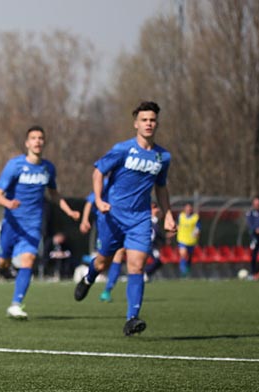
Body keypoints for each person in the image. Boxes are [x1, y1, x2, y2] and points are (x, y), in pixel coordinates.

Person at [74, 101, 176, 336]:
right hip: (112, 216)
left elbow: (161, 187)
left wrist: (168, 215)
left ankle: (132, 318)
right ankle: (89, 278)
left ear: (156, 123)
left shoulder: (163, 157)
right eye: (144, 120)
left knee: (136, 266)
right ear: (136, 123)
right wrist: (98, 200)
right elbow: (98, 171)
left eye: (152, 120)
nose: (149, 123)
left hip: (140, 219)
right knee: (103, 262)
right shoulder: (122, 149)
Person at [0, 125, 80, 319]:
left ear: (44, 142)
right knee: (3, 261)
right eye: (33, 138)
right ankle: (5, 266)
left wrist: (70, 211)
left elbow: (54, 194)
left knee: (29, 260)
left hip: (32, 225)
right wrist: (9, 202)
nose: (37, 141)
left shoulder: (48, 168)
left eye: (41, 138)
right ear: (27, 143)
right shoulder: (15, 166)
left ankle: (16, 304)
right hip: (12, 223)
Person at [80, 189, 125, 303]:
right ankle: (88, 279)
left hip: (125, 223)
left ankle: (107, 291)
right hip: (107, 225)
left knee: (120, 255)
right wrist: (85, 220)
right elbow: (90, 201)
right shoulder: (106, 183)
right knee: (101, 265)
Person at [176, 202, 200, 278]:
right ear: (184, 209)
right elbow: (177, 225)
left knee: (189, 257)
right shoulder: (181, 216)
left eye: (190, 208)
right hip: (182, 239)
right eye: (187, 208)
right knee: (183, 254)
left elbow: (198, 227)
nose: (188, 210)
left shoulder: (195, 217)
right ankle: (183, 272)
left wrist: (196, 232)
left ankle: (187, 270)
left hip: (191, 240)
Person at [246, 195, 259, 280]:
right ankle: (253, 273)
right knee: (254, 256)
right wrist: (255, 230)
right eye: (255, 203)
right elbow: (249, 225)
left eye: (258, 203)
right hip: (254, 238)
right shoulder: (250, 213)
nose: (257, 205)